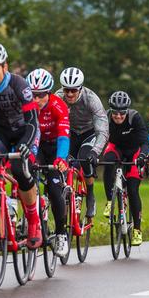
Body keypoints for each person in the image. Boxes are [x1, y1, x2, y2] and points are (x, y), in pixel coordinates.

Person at [0, 40, 42, 248]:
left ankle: (33, 221)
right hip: (0, 131)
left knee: (20, 170)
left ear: (5, 66)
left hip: (26, 131)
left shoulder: (19, 85)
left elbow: (32, 121)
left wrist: (26, 144)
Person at [26, 68, 71, 257]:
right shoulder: (26, 106)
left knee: (54, 190)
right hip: (36, 145)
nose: (36, 100)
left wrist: (61, 158)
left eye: (41, 95)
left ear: (49, 93)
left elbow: (63, 136)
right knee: (25, 176)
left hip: (55, 147)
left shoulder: (58, 105)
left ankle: (61, 234)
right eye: (33, 95)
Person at [56, 67, 109, 219]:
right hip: (69, 132)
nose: (70, 94)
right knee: (63, 164)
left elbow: (103, 131)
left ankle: (90, 195)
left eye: (73, 90)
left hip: (89, 132)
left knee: (86, 158)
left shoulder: (91, 99)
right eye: (67, 90)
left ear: (80, 88)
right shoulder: (58, 98)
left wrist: (95, 152)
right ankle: (66, 194)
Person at [102, 91, 148, 246]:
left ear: (126, 110)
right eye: (115, 112)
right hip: (116, 149)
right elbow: (99, 137)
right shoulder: (106, 117)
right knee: (108, 162)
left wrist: (143, 156)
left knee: (133, 190)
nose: (118, 116)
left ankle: (137, 229)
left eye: (122, 113)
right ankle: (110, 200)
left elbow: (144, 142)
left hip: (134, 152)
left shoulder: (135, 117)